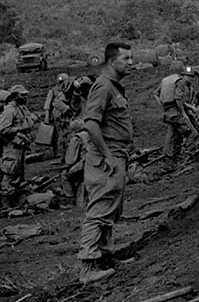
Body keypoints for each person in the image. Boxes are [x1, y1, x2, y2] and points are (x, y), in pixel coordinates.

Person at [78, 41, 134, 286]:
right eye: (126, 59)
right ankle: (88, 267)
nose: (131, 63)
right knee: (100, 209)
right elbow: (90, 123)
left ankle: (105, 259)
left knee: (111, 208)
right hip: (106, 158)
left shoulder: (115, 87)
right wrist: (108, 156)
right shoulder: (103, 87)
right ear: (112, 61)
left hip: (116, 154)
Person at [0, 84, 36, 207]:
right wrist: (19, 128)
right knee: (9, 172)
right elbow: (3, 129)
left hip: (20, 146)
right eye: (22, 95)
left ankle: (14, 199)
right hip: (12, 147)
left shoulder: (19, 108)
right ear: (15, 96)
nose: (25, 97)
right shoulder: (10, 110)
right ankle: (6, 202)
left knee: (17, 173)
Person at [153, 67, 198, 169]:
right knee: (192, 133)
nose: (190, 78)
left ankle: (170, 161)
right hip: (176, 112)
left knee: (173, 136)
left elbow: (156, 93)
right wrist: (183, 113)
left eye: (191, 76)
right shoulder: (180, 82)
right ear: (182, 74)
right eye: (188, 76)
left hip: (168, 113)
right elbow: (178, 99)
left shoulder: (166, 80)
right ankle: (189, 159)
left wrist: (162, 107)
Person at [61, 117, 90, 207]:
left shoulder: (76, 138)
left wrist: (67, 166)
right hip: (94, 161)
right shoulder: (90, 134)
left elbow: (70, 160)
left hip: (84, 164)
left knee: (65, 175)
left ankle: (71, 200)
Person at [43, 73, 72, 158]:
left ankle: (67, 152)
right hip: (57, 115)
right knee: (57, 135)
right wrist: (47, 116)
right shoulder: (53, 91)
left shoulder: (69, 90)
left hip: (66, 115)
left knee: (67, 133)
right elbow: (48, 104)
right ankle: (58, 153)